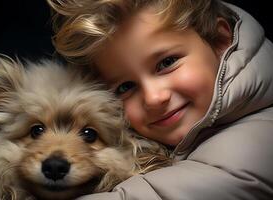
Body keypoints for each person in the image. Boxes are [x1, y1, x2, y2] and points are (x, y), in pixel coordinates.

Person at [46, 0, 273, 199]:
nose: (153, 98)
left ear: (220, 40)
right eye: (126, 87)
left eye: (166, 63)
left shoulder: (260, 141)